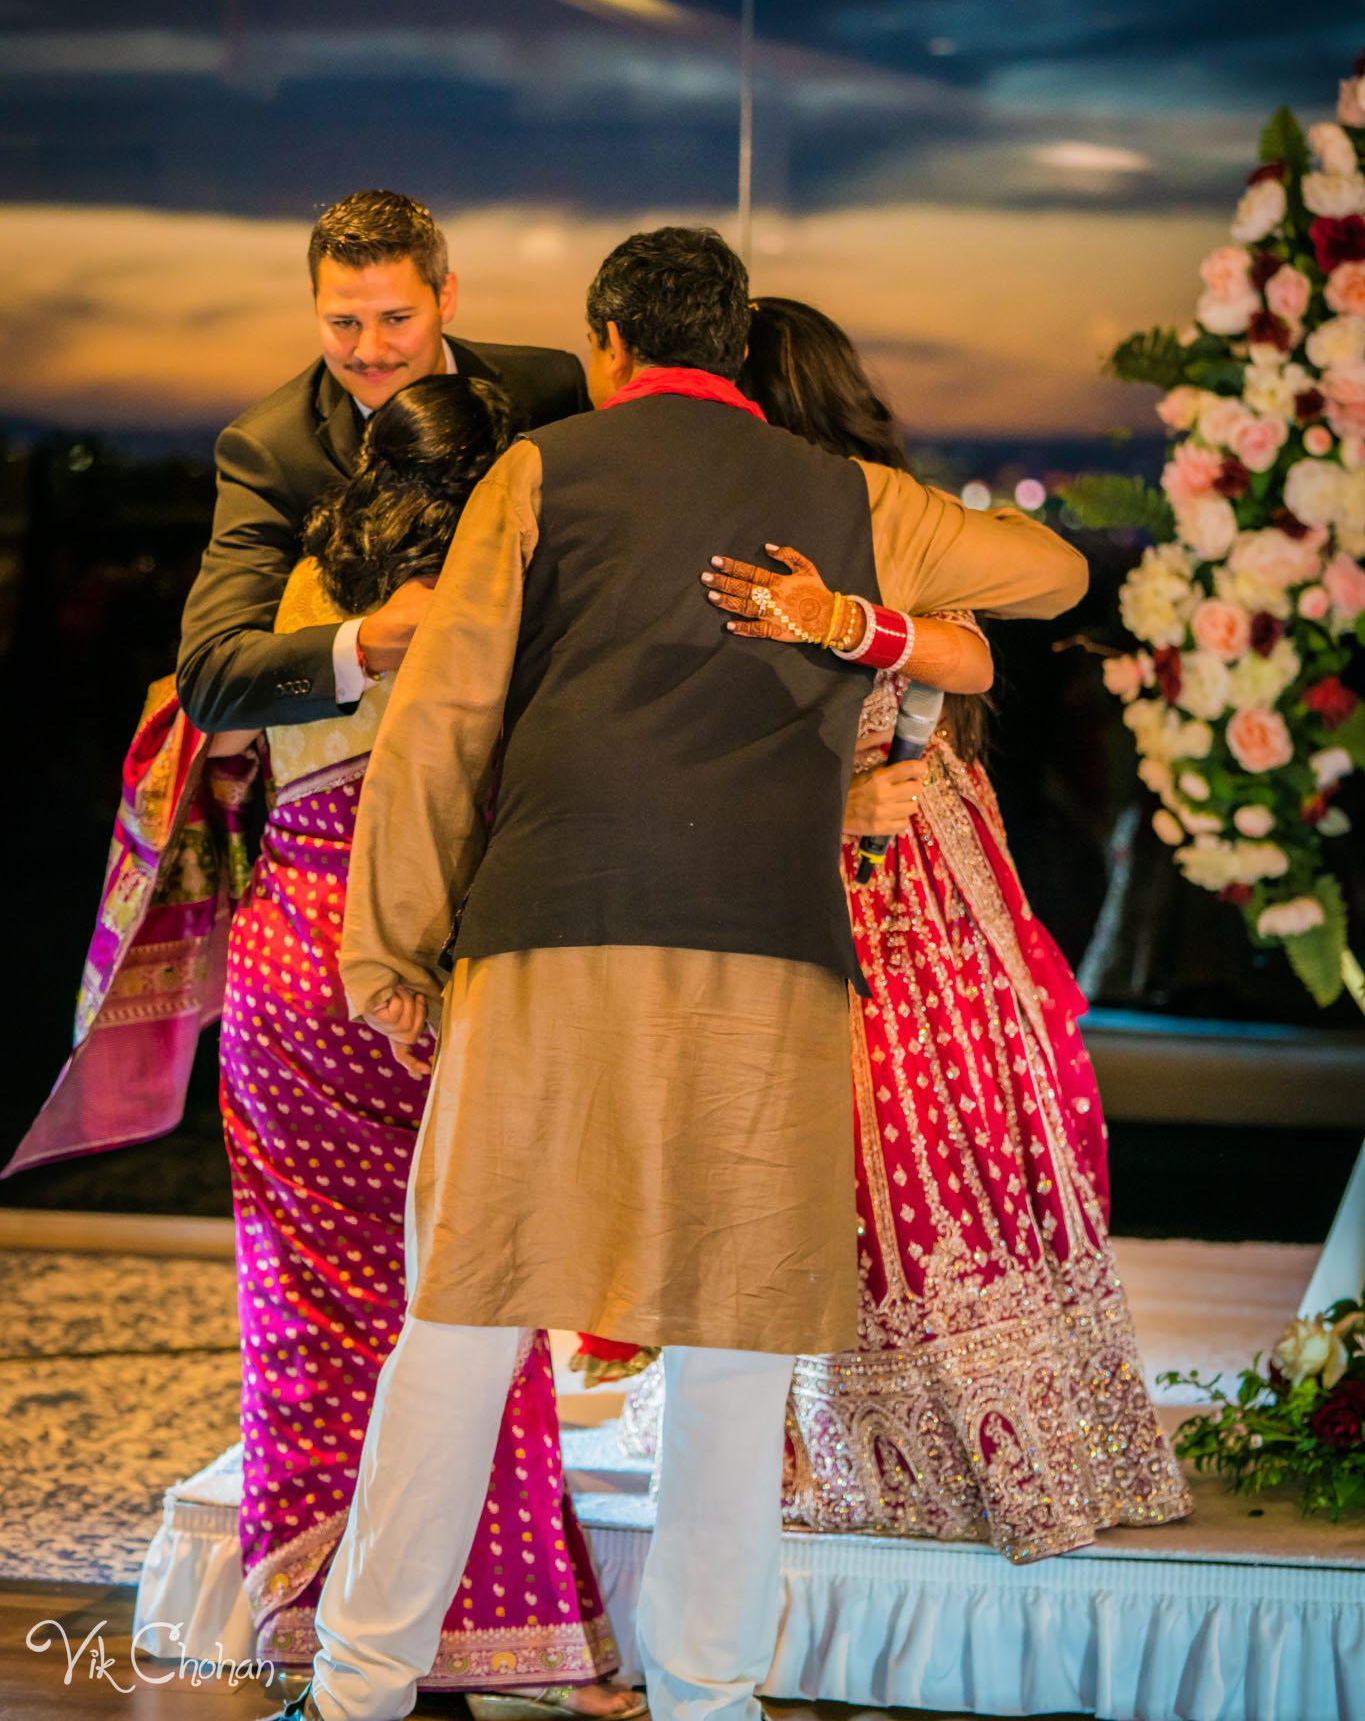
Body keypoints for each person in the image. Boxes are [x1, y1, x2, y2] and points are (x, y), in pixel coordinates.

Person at [262, 225, 1087, 1721]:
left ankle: (356, 1693)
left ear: (607, 343)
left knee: (459, 1319)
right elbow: (1050, 569)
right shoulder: (847, 496)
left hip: (549, 938)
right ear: (735, 344)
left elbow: (441, 723)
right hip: (770, 958)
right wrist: (856, 619)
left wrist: (387, 946)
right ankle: (706, 1701)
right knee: (728, 1351)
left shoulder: (544, 469)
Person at [694, 296, 1192, 1560]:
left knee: (942, 1123)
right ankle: (838, 1438)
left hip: (919, 857)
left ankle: (997, 1430)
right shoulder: (705, 531)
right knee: (820, 1147)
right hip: (790, 848)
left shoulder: (869, 509)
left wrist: (845, 621)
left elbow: (971, 651)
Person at [212, 372, 635, 1708]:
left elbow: (220, 733)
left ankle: (324, 1626)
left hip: (284, 964)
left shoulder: (306, 593)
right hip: (411, 964)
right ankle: (471, 1625)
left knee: (308, 1299)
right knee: (461, 1296)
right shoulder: (490, 601)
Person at [176, 188, 587, 735]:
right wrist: (365, 645)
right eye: (343, 322)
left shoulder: (549, 389)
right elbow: (211, 678)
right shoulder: (269, 449)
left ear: (446, 296)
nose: (369, 351)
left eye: (396, 319)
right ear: (314, 300)